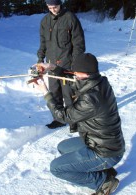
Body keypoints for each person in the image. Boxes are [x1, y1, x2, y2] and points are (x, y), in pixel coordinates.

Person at [33, 53, 125, 195]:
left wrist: (46, 93)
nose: (74, 74)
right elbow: (71, 77)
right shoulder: (99, 81)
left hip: (105, 152)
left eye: (76, 72)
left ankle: (103, 181)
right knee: (63, 147)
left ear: (86, 73)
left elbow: (62, 116)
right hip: (103, 143)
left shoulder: (91, 99)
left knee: (56, 168)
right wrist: (51, 67)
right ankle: (104, 170)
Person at [37, 0, 85, 132]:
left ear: (60, 4)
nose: (53, 9)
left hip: (67, 64)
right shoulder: (45, 21)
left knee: (68, 93)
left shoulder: (70, 18)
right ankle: (58, 119)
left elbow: (79, 43)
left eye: (55, 7)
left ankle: (73, 121)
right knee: (54, 92)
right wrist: (40, 59)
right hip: (51, 64)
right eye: (50, 7)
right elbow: (43, 43)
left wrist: (76, 62)